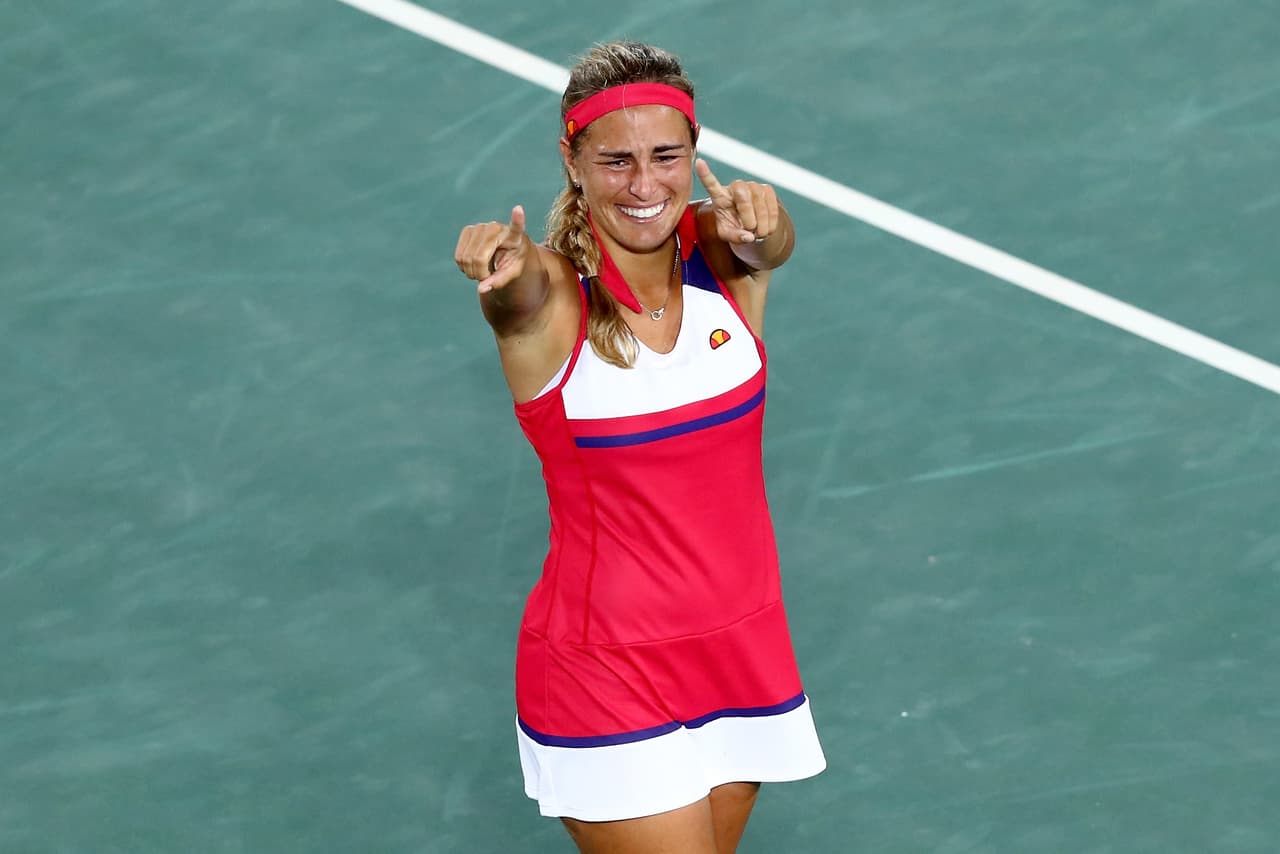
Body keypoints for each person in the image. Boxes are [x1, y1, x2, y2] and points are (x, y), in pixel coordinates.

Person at [454, 41, 825, 854]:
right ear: (572, 162)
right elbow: (516, 298)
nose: (646, 184)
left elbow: (772, 246)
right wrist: (503, 270)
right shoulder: (550, 298)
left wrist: (768, 217)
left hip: (739, 647)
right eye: (616, 161)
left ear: (695, 152)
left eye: (666, 156)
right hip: (606, 669)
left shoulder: (724, 258)